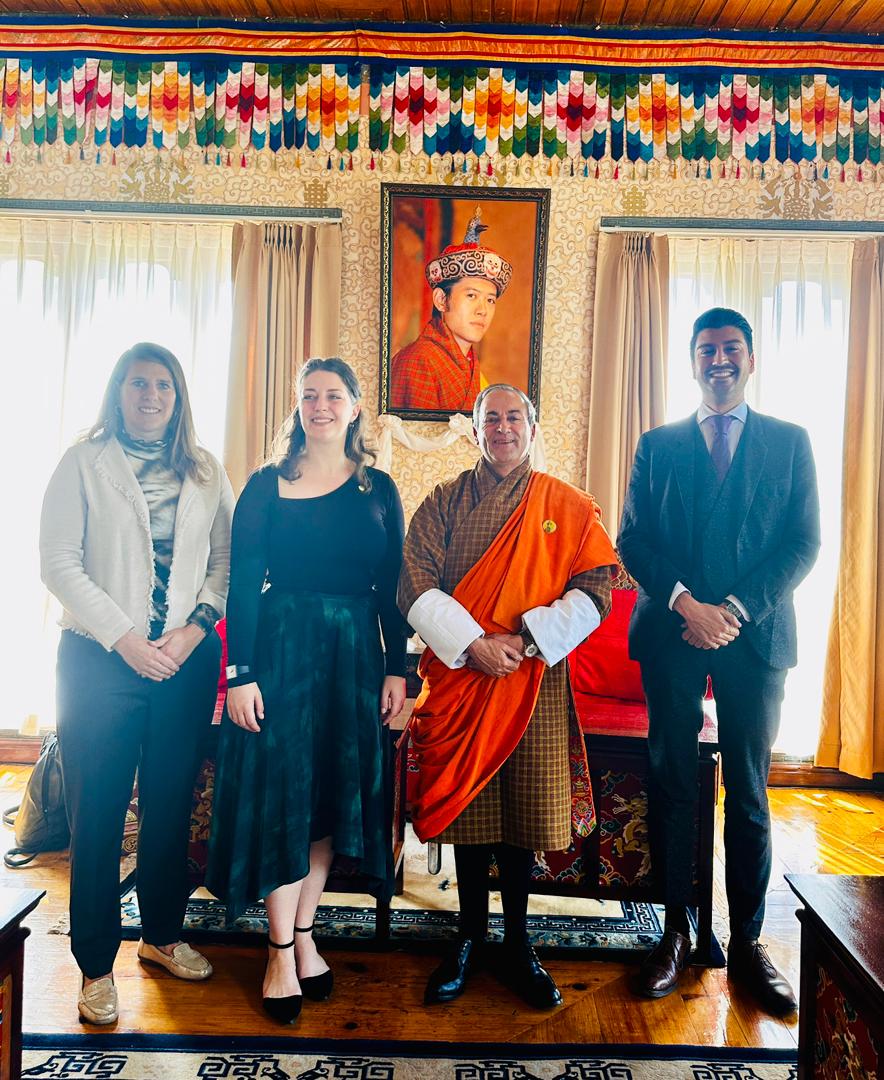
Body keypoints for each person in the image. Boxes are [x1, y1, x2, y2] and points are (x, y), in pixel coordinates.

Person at [618, 307, 820, 1015]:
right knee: (672, 781)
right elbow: (633, 540)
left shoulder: (791, 443)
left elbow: (803, 543)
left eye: (731, 348)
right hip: (671, 635)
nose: (719, 360)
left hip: (755, 638)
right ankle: (674, 933)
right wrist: (686, 605)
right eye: (707, 350)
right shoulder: (657, 445)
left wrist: (732, 609)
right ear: (693, 361)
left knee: (751, 792)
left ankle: (749, 944)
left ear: (751, 359)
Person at [399, 383, 617, 1009]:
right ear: (474, 430)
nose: (502, 428)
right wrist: (472, 645)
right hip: (463, 679)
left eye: (513, 417)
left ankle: (519, 943)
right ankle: (469, 936)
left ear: (531, 427)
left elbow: (595, 590)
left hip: (533, 680)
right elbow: (413, 583)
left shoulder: (567, 505)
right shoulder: (442, 502)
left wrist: (523, 641)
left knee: (522, 816)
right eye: (489, 418)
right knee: (469, 814)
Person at [207, 357, 407, 1026]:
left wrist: (398, 668)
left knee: (326, 800)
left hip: (355, 657)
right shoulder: (266, 486)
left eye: (333, 395)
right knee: (285, 800)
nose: (321, 405)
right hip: (282, 653)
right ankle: (277, 953)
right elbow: (242, 586)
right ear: (297, 406)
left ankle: (303, 934)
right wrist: (239, 673)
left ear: (355, 407)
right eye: (309, 395)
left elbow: (392, 587)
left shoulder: (379, 488)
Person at [40, 342, 234, 1026]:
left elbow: (225, 563)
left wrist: (193, 631)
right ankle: (96, 966)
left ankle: (161, 936)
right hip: (98, 662)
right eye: (138, 383)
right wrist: (125, 638)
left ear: (179, 398)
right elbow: (58, 562)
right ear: (118, 392)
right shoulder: (83, 461)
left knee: (171, 806)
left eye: (163, 385)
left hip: (184, 663)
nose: (151, 395)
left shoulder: (207, 469)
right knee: (97, 813)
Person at [389, 208, 513, 412]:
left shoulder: (470, 364)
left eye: (490, 300)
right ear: (441, 300)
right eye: (471, 295)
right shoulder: (418, 361)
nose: (483, 310)